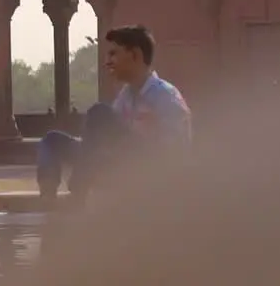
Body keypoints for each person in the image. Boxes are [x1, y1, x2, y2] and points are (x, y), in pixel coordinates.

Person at [35, 25, 191, 204]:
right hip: (120, 162)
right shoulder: (127, 95)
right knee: (52, 141)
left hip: (150, 169)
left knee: (99, 113)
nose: (108, 62)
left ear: (135, 55)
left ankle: (79, 191)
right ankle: (48, 200)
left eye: (114, 54)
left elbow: (176, 154)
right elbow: (106, 139)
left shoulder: (165, 96)